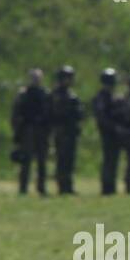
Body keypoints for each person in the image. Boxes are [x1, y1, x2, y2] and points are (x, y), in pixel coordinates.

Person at [11, 68, 51, 195]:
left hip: (41, 130)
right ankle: (23, 188)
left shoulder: (45, 94)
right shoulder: (23, 94)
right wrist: (17, 131)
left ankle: (41, 187)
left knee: (42, 161)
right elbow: (16, 114)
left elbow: (49, 113)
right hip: (27, 129)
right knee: (25, 160)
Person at [48, 65, 85, 194]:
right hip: (61, 130)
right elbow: (55, 113)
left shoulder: (71, 95)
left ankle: (68, 185)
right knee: (62, 159)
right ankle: (62, 185)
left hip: (71, 131)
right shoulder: (56, 95)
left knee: (70, 159)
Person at [91, 68, 123, 195]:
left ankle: (110, 186)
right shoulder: (102, 97)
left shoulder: (112, 97)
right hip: (107, 132)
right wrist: (114, 127)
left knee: (113, 159)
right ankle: (107, 187)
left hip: (114, 132)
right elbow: (102, 117)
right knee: (109, 159)